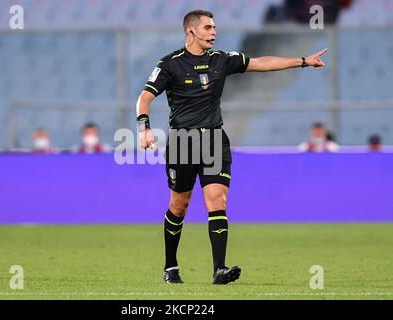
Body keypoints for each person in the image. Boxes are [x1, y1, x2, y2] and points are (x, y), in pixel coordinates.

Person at [136, 9, 327, 285]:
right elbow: (144, 97)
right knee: (179, 205)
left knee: (217, 201)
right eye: (208, 28)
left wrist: (303, 61)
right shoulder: (169, 64)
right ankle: (170, 266)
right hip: (182, 143)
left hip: (214, 141)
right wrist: (143, 128)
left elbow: (262, 63)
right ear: (191, 31)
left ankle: (219, 270)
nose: (214, 32)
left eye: (214, 28)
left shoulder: (222, 60)